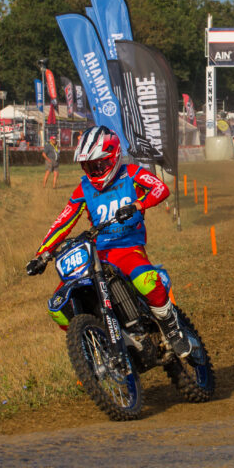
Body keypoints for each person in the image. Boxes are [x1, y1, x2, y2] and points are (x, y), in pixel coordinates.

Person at [26, 126, 191, 356]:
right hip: (98, 252)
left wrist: (137, 205)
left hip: (128, 247)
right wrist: (42, 254)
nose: (94, 170)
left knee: (146, 280)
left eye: (98, 164)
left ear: (112, 157)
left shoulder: (131, 173)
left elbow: (160, 188)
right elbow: (63, 221)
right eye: (89, 166)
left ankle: (171, 329)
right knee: (57, 305)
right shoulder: (83, 188)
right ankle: (95, 341)